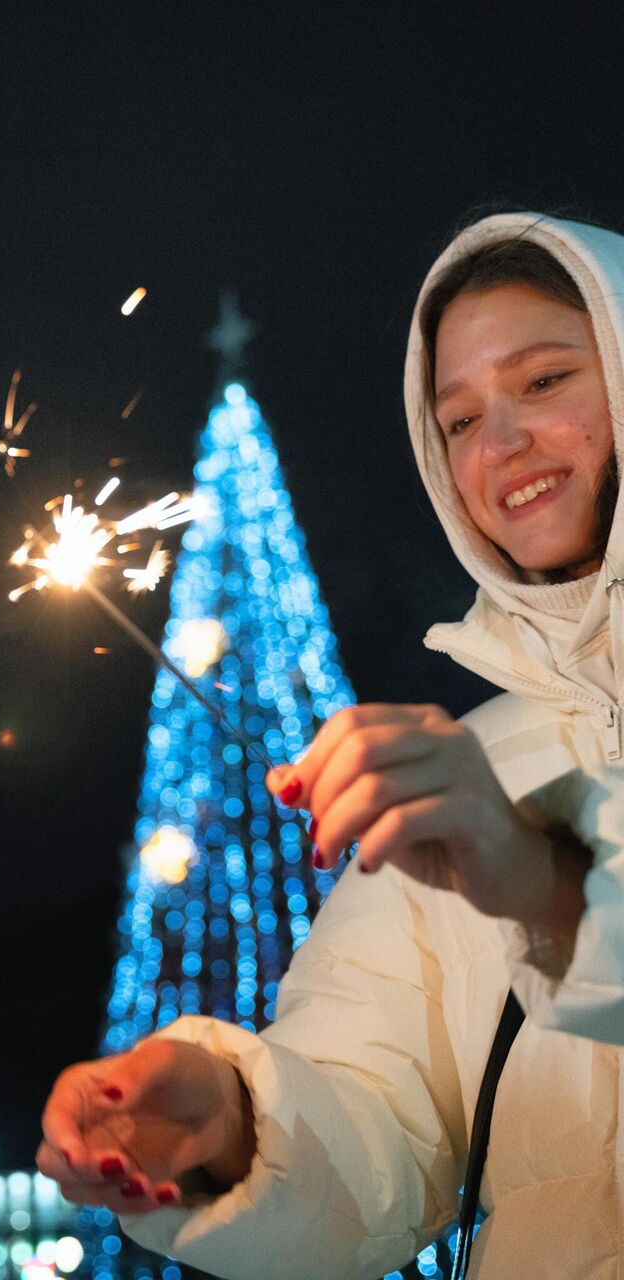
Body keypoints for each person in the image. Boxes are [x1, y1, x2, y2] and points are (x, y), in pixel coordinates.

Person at [37, 211, 624, 1278]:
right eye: (455, 418)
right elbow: (377, 1127)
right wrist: (231, 1121)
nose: (497, 444)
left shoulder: (472, 805)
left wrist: (543, 882)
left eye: (543, 381)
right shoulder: (460, 769)